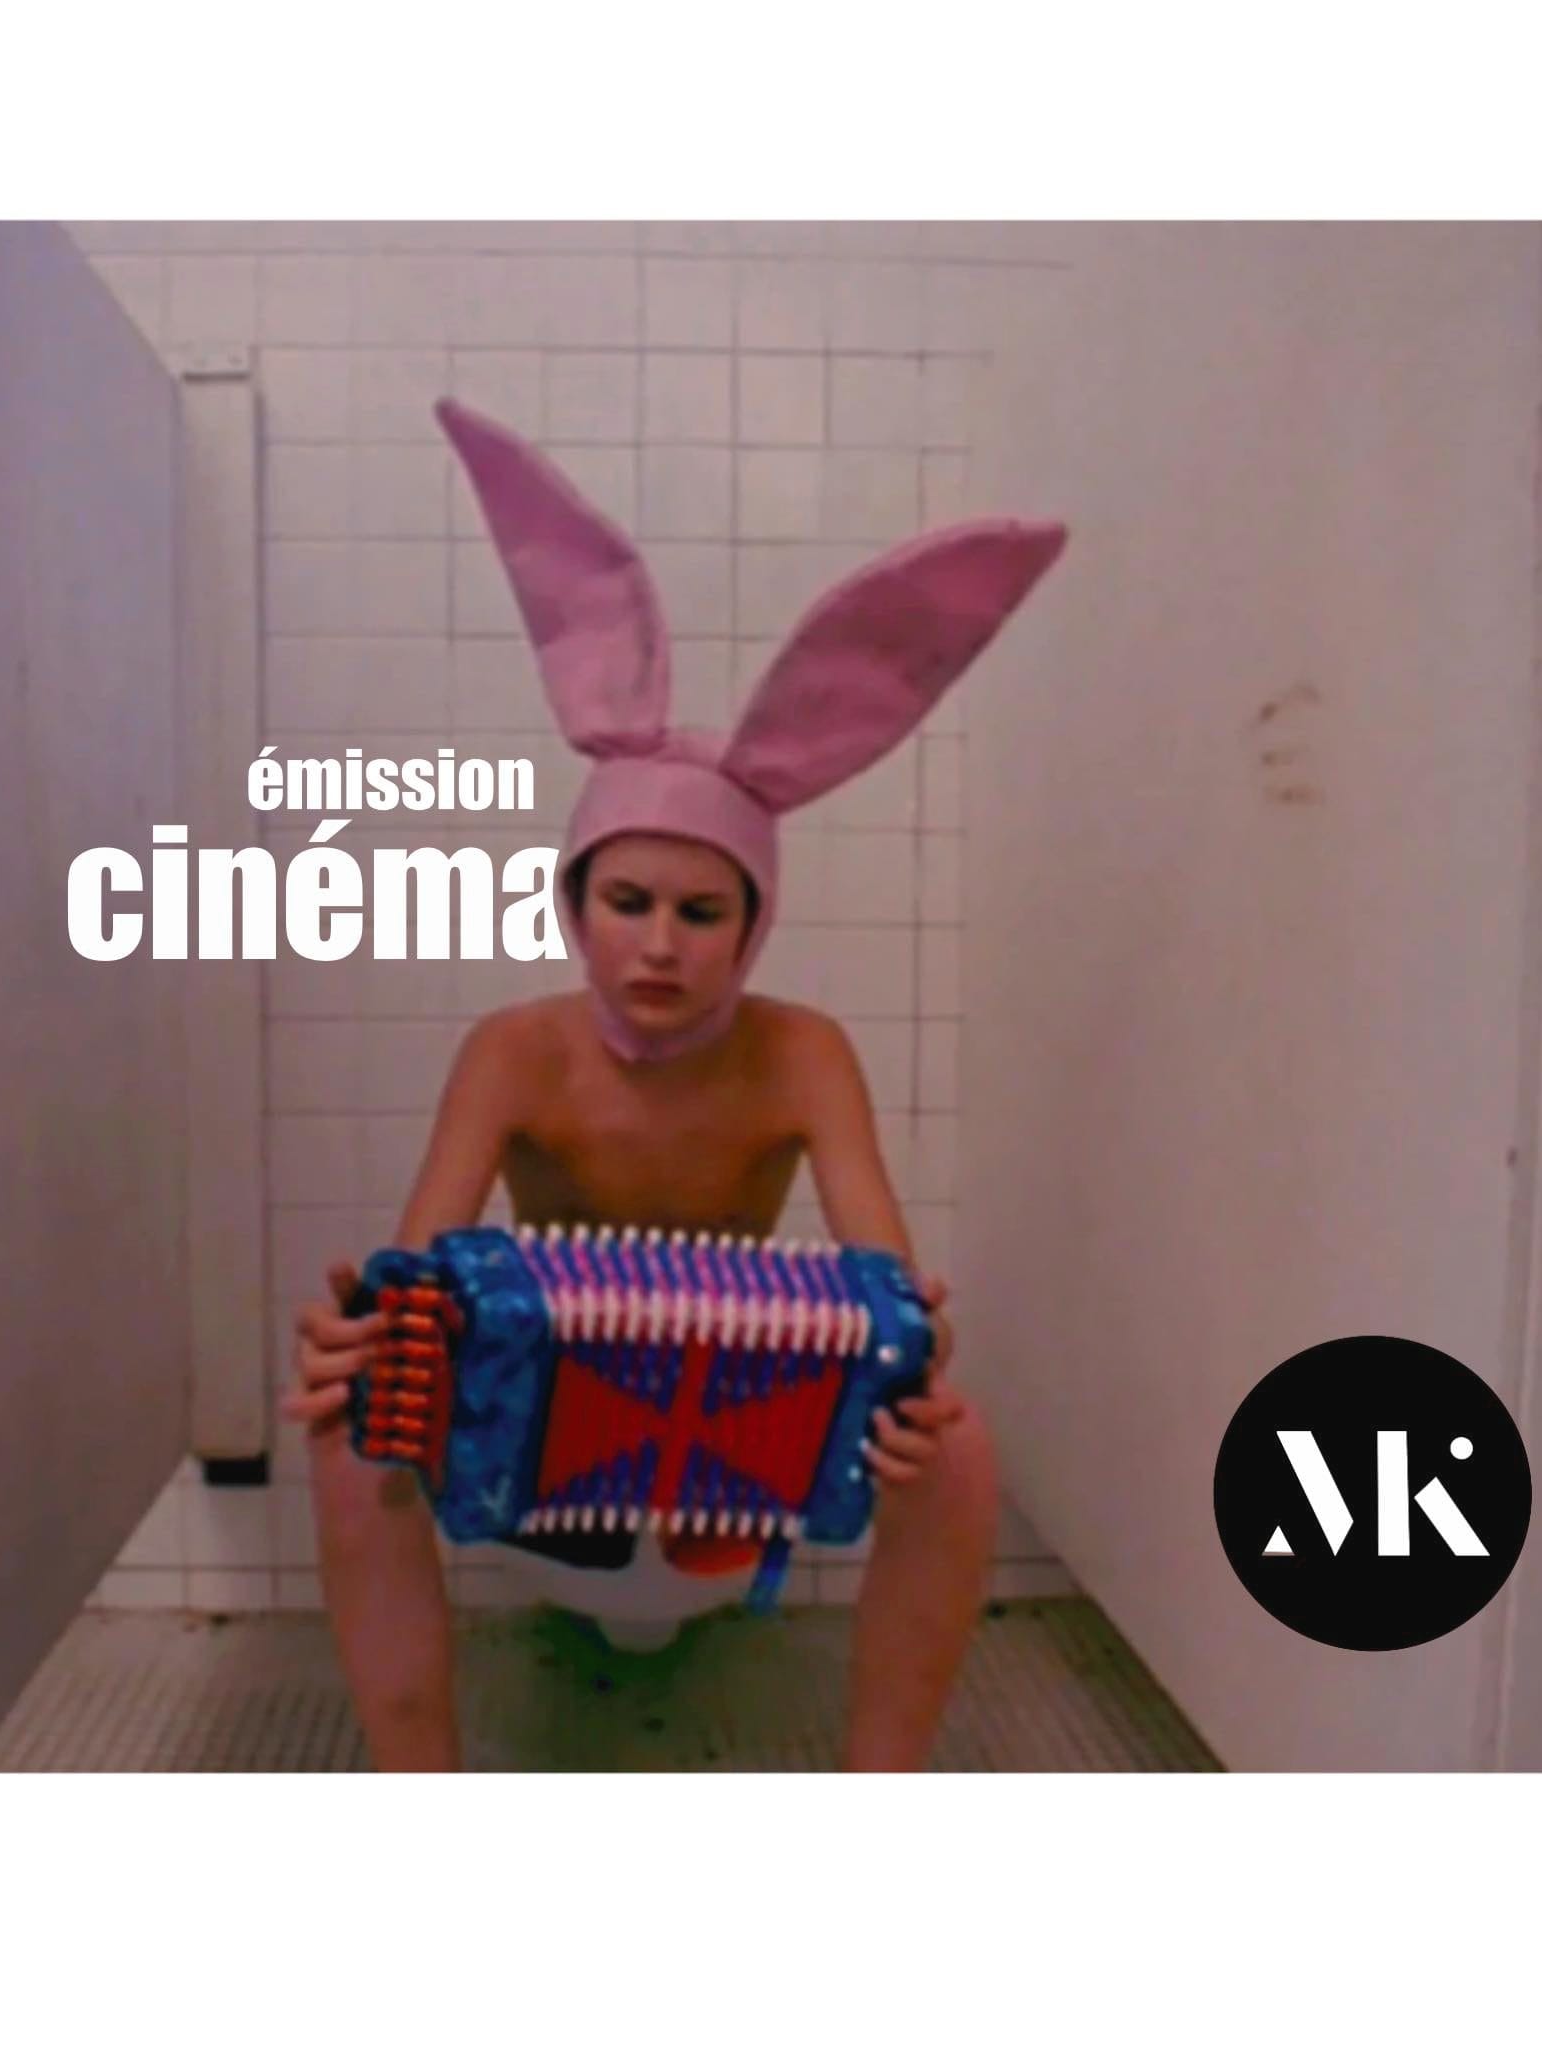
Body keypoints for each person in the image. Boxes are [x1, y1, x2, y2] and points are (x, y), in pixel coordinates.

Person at [283, 398, 1068, 1771]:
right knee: (352, 1440)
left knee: (961, 1454)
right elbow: (420, 1275)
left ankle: (881, 1788)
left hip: (741, 1458)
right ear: (573, 905)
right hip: (538, 1438)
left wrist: (916, 1359)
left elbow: (884, 1275)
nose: (659, 946)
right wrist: (365, 1343)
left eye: (703, 914)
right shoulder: (514, 1051)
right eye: (628, 902)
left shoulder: (804, 1051)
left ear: (754, 927)